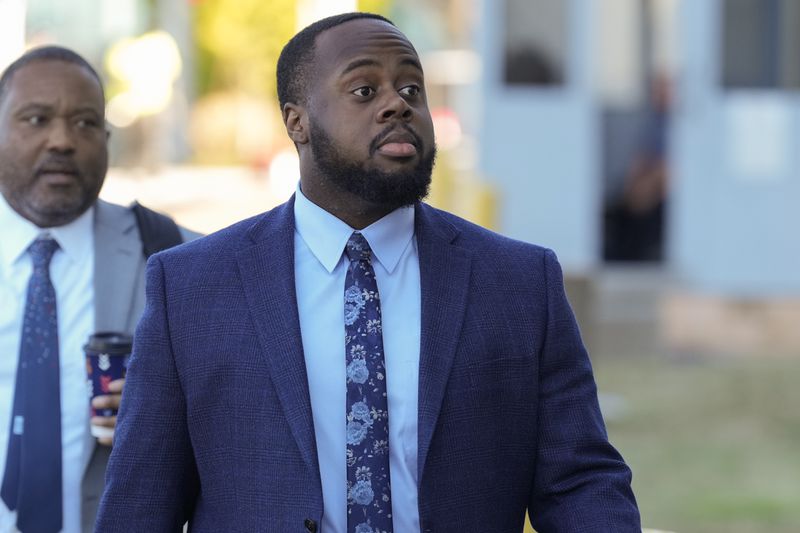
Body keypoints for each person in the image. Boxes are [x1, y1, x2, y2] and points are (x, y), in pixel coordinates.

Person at [97, 12, 640, 532]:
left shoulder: (521, 282)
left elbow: (579, 483)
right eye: (364, 91)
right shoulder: (192, 287)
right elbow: (143, 501)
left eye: (411, 90)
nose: (397, 106)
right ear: (297, 121)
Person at [0, 46, 196, 533]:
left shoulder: (178, 260)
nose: (63, 141)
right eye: (37, 118)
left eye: (86, 123)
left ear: (107, 141)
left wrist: (166, 408)